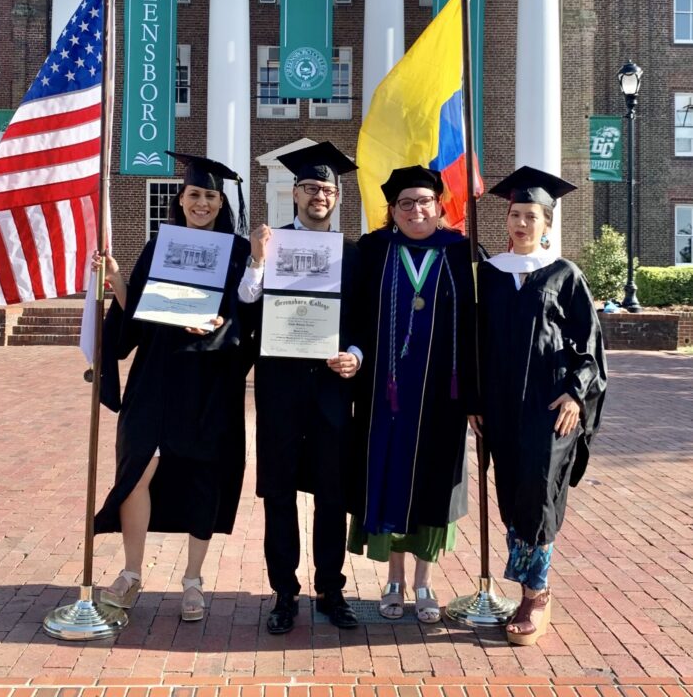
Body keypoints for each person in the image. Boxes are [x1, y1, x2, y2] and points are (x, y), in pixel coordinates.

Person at [93, 155, 254, 622]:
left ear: (221, 203)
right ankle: (131, 573)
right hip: (156, 374)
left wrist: (220, 327)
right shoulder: (159, 245)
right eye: (194, 194)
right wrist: (116, 278)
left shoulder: (238, 251)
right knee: (137, 468)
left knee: (204, 474)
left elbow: (248, 313)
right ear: (180, 199)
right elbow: (138, 315)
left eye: (210, 196)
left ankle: (193, 580)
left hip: (209, 378)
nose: (201, 203)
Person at [473, 166, 607, 646]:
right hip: (501, 405)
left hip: (551, 405)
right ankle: (529, 587)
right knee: (511, 491)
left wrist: (576, 393)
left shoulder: (565, 275)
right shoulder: (490, 275)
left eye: (531, 216)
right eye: (515, 214)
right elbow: (476, 343)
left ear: (547, 223)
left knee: (540, 490)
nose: (521, 223)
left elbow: (590, 344)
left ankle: (536, 593)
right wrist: (475, 401)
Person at [238, 141, 361, 634]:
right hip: (281, 388)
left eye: (326, 189)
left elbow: (363, 321)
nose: (318, 196)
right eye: (310, 187)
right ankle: (284, 592)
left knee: (332, 492)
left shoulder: (350, 253)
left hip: (331, 388)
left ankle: (330, 588)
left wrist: (355, 356)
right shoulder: (273, 246)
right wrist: (257, 261)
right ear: (294, 193)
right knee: (280, 491)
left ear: (336, 197)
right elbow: (247, 305)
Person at [347, 165, 475, 624]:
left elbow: (478, 327)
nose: (416, 210)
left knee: (433, 483)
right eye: (406, 203)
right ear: (392, 210)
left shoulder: (462, 252)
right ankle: (394, 579)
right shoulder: (373, 250)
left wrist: (476, 398)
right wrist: (354, 353)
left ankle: (424, 582)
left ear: (439, 206)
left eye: (424, 201)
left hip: (443, 396)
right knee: (388, 477)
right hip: (386, 394)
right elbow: (353, 314)